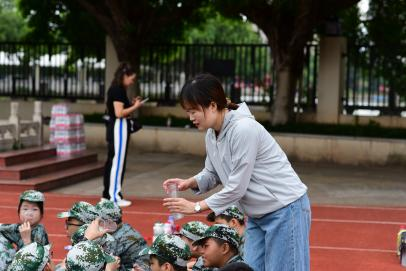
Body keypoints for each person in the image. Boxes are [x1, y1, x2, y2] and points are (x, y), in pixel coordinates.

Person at [163, 73, 311, 271]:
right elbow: (213, 172)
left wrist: (196, 207)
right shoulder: (211, 133)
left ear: (213, 106)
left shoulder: (243, 129)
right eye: (188, 112)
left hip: (284, 209)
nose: (191, 118)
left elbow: (236, 188)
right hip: (257, 215)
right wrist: (190, 182)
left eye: (194, 111)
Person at [103, 62, 143, 207]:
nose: (132, 81)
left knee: (113, 161)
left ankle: (108, 195)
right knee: (117, 162)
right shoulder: (117, 90)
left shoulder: (117, 89)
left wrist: (131, 105)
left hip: (117, 126)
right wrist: (135, 107)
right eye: (131, 78)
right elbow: (119, 113)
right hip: (118, 127)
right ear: (124, 75)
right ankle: (113, 196)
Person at [95, 199, 149, 270]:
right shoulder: (122, 228)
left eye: (99, 221)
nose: (96, 223)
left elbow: (100, 262)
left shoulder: (118, 239)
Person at [0, 190, 49, 269]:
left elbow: (34, 261)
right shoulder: (18, 227)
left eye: (35, 209)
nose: (29, 213)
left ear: (41, 214)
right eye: (25, 209)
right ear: (19, 212)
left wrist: (27, 240)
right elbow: (2, 227)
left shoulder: (39, 231)